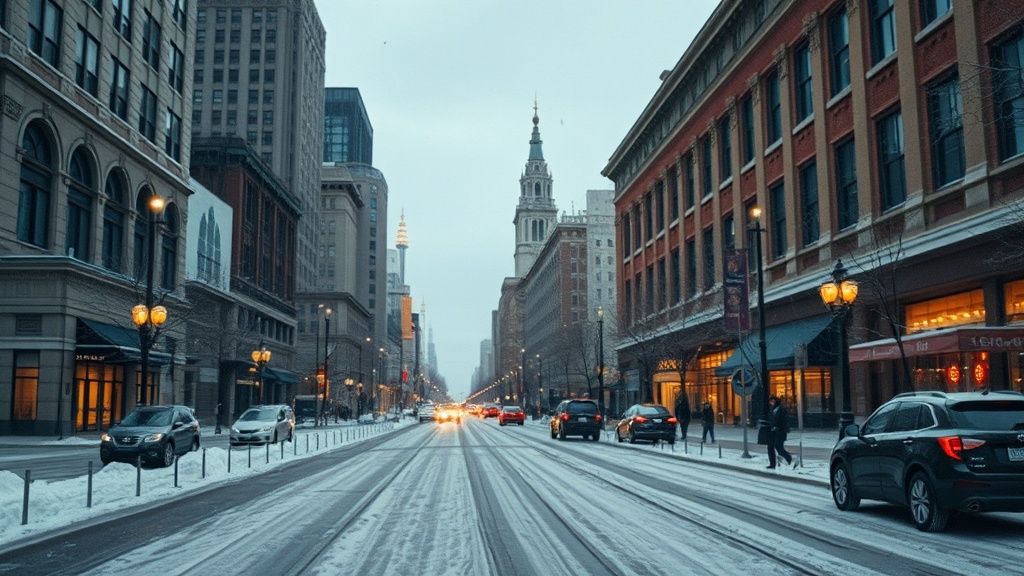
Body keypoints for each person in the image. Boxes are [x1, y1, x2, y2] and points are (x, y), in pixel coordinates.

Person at [767, 395, 794, 469]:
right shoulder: (772, 409)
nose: (771, 403)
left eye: (772, 401)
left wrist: (779, 427)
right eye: (770, 401)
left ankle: (787, 457)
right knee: (774, 446)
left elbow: (784, 420)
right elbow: (772, 419)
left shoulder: (781, 409)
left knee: (778, 445)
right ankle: (776, 462)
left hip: (780, 430)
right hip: (774, 431)